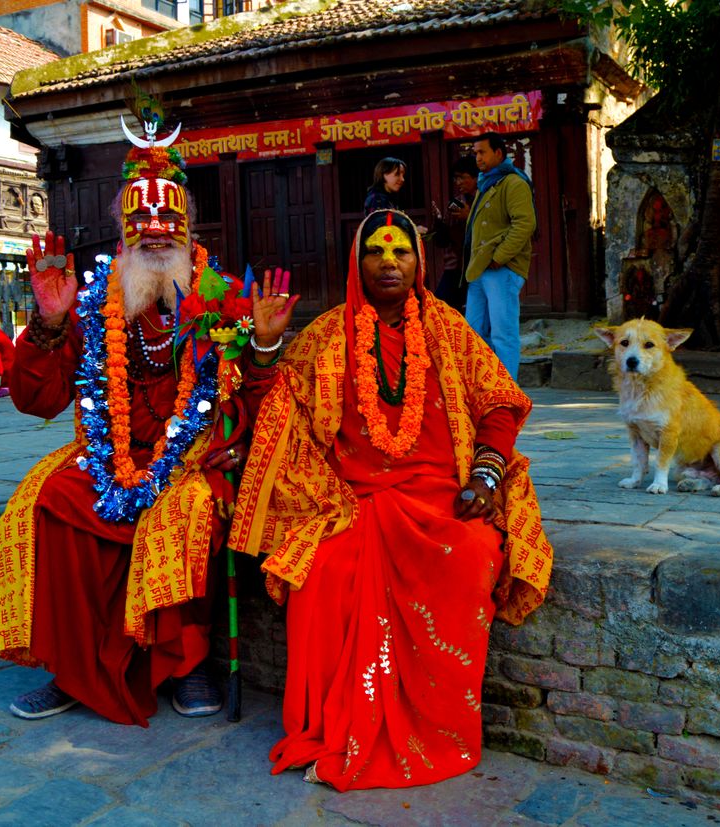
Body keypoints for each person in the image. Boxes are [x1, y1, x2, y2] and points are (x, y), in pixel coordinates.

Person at [0, 121, 299, 727]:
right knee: (52, 496)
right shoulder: (94, 302)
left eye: (167, 224)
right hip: (108, 454)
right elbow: (37, 400)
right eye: (140, 225)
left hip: (192, 457)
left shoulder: (224, 297)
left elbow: (254, 402)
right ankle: (72, 668)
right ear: (121, 236)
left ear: (189, 230)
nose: (155, 235)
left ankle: (190, 661)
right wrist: (49, 324)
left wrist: (262, 347)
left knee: (192, 507)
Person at [228, 208, 553, 790]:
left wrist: (486, 474)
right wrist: (266, 347)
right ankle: (337, 728)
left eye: (400, 251)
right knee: (321, 568)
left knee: (474, 555)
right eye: (375, 251)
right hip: (349, 500)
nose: (388, 262)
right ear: (357, 262)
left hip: (439, 499)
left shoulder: (449, 327)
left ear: (418, 262)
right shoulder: (327, 333)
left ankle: (439, 729)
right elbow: (271, 413)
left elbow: (499, 403)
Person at [464, 132, 536, 380]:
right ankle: (485, 388)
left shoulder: (513, 182)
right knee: (473, 333)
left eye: (482, 152)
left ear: (498, 153)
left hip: (501, 269)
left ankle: (508, 395)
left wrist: (500, 257)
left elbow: (525, 224)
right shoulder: (487, 182)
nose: (478, 158)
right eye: (475, 153)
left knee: (503, 334)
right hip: (479, 269)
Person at [431, 155, 478, 312]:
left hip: (477, 266)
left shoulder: (485, 200)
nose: (458, 183)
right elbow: (443, 241)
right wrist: (438, 223)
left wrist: (469, 216)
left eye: (462, 178)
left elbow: (491, 230)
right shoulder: (455, 203)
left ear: (476, 178)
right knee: (439, 309)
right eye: (455, 179)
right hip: (454, 267)